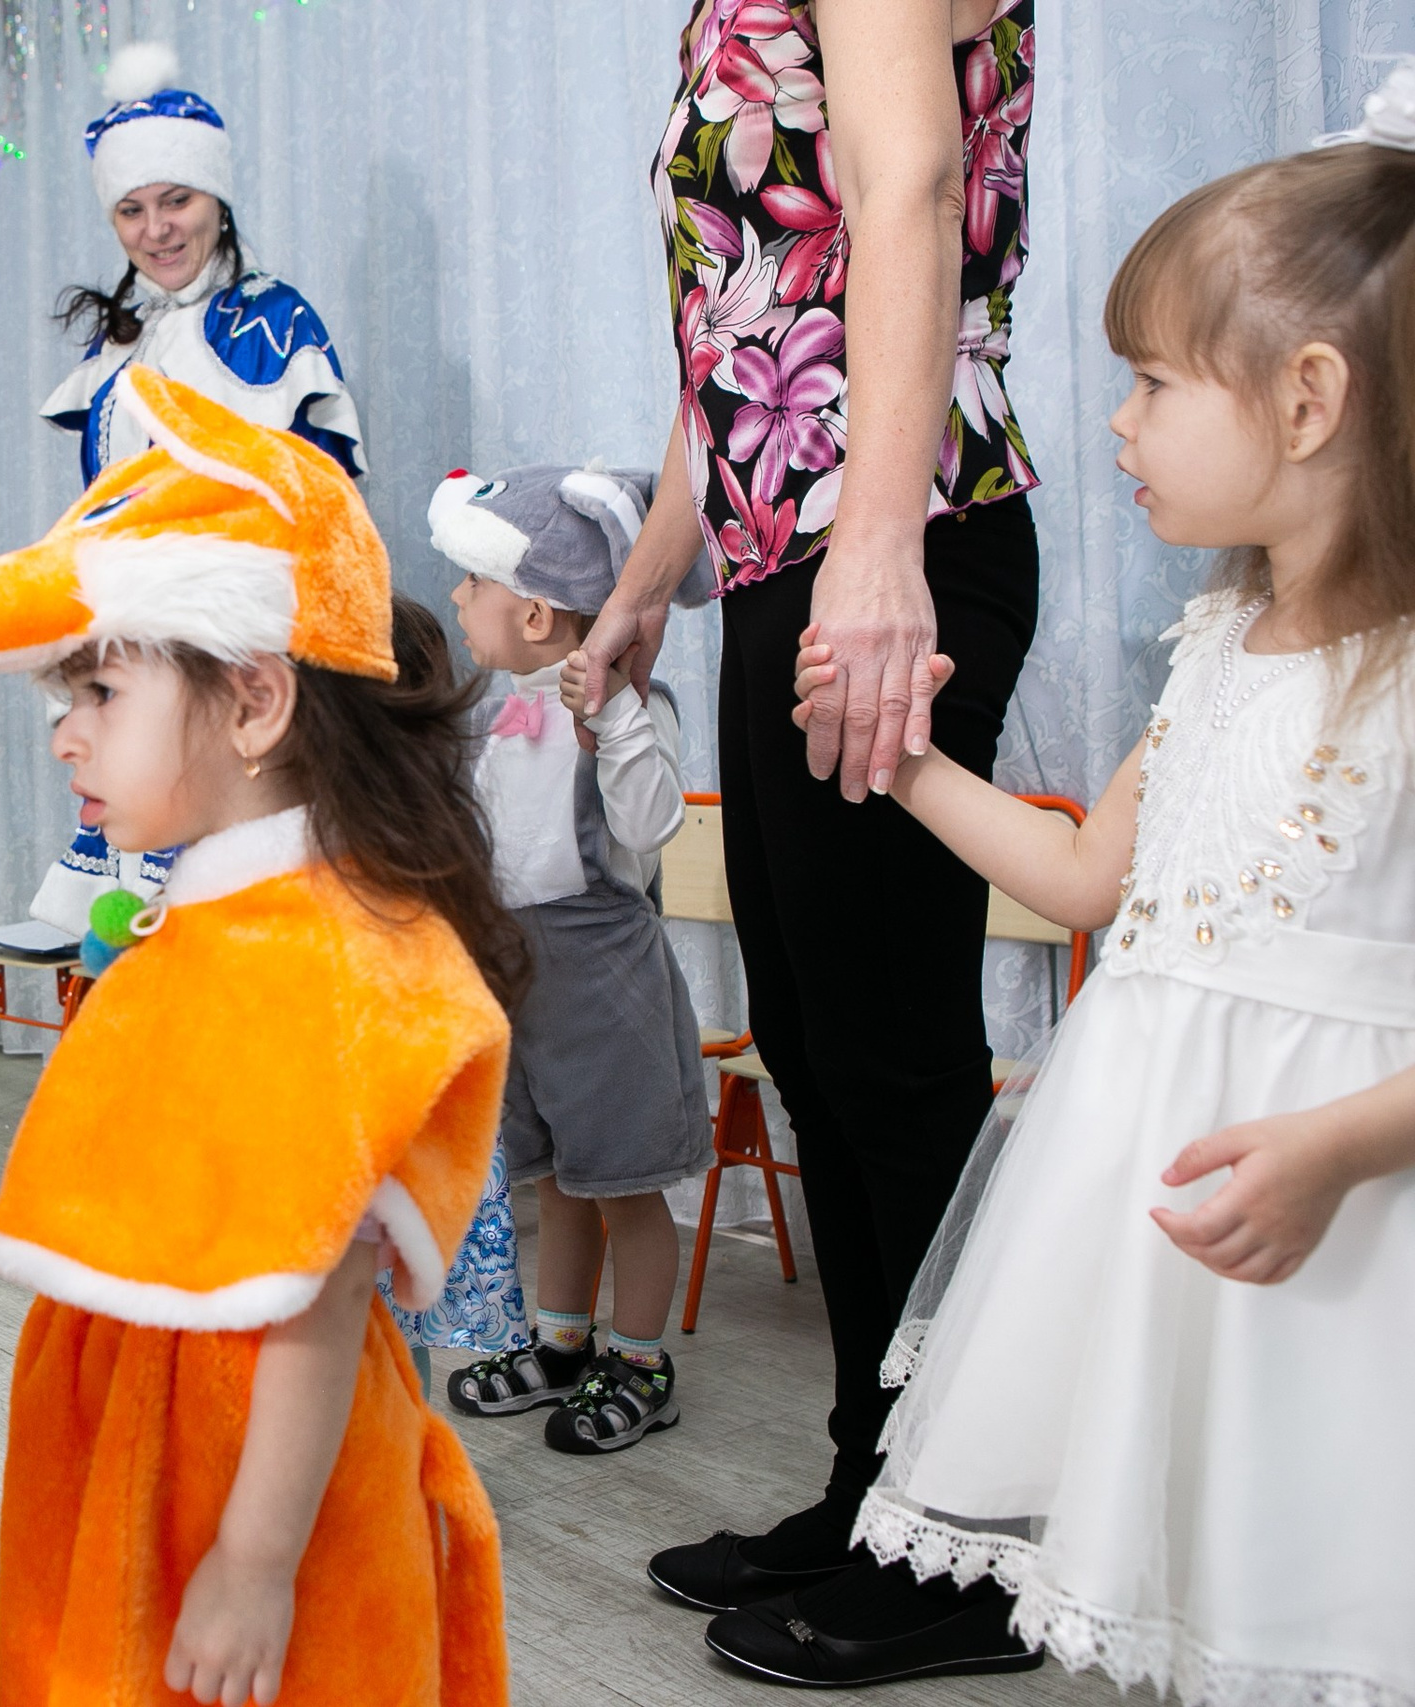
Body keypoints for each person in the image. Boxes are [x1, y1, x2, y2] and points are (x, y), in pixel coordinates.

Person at [725, 125, 1415, 1702]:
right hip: (1163, 1208)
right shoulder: (1221, 643)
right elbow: (1089, 879)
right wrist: (894, 762)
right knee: (1172, 1576)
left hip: (1335, 1210)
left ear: (1309, 400)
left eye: (1158, 383)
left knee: (1325, 1581)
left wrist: (1337, 1148)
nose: (1119, 418)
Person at [0, 367, 515, 1707]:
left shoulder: (315, 954)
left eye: (100, 691)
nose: (66, 734)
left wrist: (255, 1558)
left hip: (245, 1447)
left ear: (253, 702)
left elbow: (313, 1296)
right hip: (152, 1407)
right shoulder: (226, 916)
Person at [581, 2, 1049, 1668]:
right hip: (804, 546)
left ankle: (971, 1549)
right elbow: (745, 330)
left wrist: (874, 546)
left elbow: (912, 190)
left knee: (893, 1052)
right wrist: (644, 588)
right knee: (816, 1041)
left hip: (892, 536)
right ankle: (879, 1485)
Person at [417, 465, 713, 1454]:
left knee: (622, 1180)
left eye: (471, 583)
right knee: (556, 1172)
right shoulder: (498, 714)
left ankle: (639, 1359)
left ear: (537, 614)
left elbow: (651, 822)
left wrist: (617, 715)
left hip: (607, 991)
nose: (457, 597)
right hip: (524, 987)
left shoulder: (630, 707)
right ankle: (561, 1345)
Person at [43, 41, 364, 486]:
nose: (155, 230)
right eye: (131, 211)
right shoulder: (117, 343)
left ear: (218, 203)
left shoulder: (274, 320)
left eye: (176, 201)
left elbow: (324, 502)